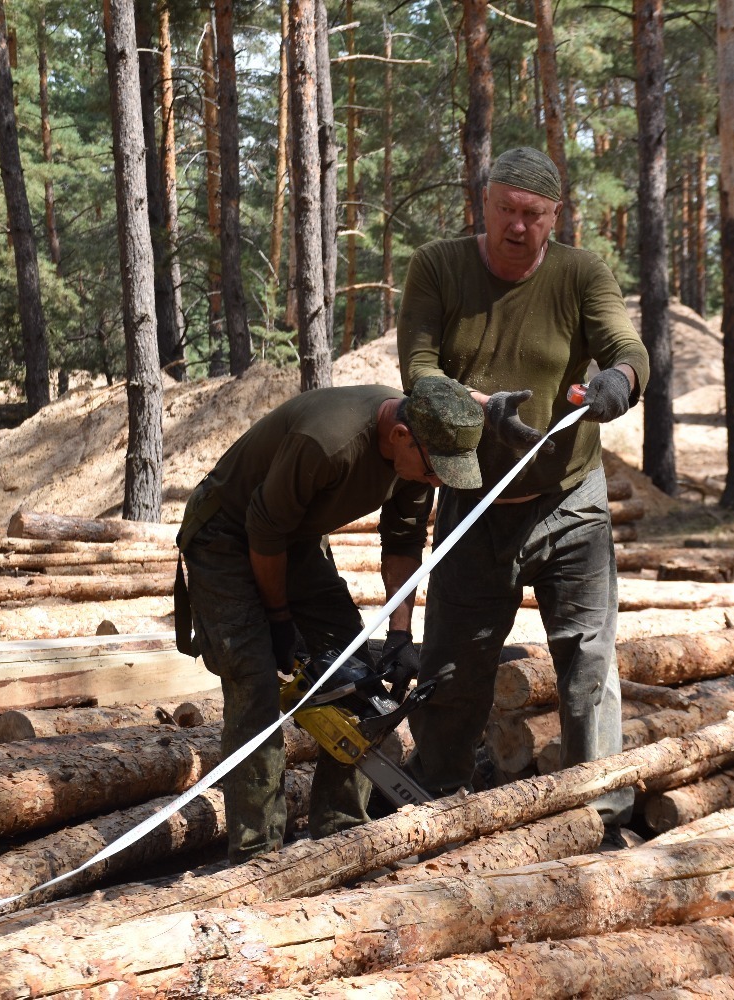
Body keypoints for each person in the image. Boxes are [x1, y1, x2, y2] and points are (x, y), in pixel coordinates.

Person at [396, 146, 650, 840]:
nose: (518, 226)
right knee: (453, 666)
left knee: (588, 664)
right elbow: (417, 367)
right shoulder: (438, 267)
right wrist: (475, 407)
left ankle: (600, 815)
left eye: (533, 215)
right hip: (474, 504)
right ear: (484, 204)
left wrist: (617, 384)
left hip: (570, 501)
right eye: (506, 209)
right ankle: (435, 804)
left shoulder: (581, 273)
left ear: (554, 216)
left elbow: (628, 348)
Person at [175, 378, 484, 862]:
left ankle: (341, 829)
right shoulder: (329, 442)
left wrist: (400, 635)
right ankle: (257, 854)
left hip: (293, 536)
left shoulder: (418, 453)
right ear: (401, 435)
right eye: (434, 470)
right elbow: (262, 528)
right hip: (226, 533)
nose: (436, 482)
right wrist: (279, 620)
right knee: (253, 682)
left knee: (357, 673)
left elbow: (403, 542)